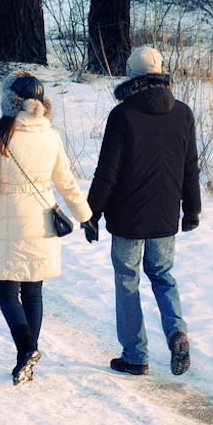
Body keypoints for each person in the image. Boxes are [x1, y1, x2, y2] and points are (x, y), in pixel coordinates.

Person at [83, 46, 201, 377]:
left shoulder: (122, 115)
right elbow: (190, 167)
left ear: (132, 77)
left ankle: (135, 356)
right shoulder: (183, 113)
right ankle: (177, 333)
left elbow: (107, 173)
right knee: (163, 276)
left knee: (128, 282)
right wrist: (191, 210)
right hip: (165, 216)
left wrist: (91, 214)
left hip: (128, 219)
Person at [0, 71, 93, 385]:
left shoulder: (1, 137)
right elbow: (66, 182)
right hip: (43, 217)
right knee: (33, 291)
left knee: (5, 291)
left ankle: (26, 348)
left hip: (8, 218)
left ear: (10, 101)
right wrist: (85, 215)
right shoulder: (51, 135)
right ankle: (26, 359)